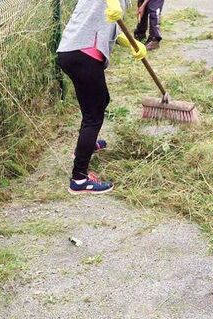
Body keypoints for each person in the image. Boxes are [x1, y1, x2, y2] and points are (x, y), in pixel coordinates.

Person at [57, 0, 147, 195]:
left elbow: (107, 26)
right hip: (83, 53)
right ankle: (79, 178)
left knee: (101, 101)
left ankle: (86, 146)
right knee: (93, 116)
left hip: (74, 52)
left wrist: (131, 43)